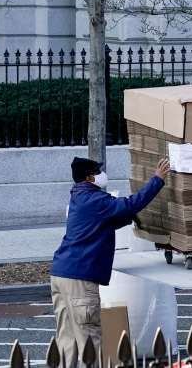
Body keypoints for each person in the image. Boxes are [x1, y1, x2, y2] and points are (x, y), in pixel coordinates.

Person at [51, 156, 170, 363]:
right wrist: (157, 179)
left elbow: (103, 223)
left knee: (67, 339)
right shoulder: (96, 200)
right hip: (80, 278)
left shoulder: (79, 197)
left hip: (61, 274)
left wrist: (130, 218)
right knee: (89, 338)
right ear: (89, 178)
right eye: (97, 172)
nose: (101, 175)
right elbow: (130, 204)